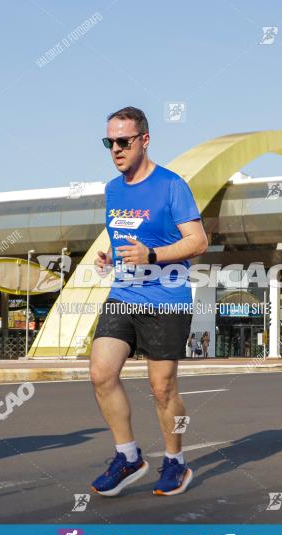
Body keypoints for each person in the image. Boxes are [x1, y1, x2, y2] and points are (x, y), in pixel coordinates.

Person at [89, 106, 207, 497]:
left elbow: (198, 241)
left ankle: (176, 461)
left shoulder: (172, 185)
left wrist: (153, 256)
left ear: (145, 139)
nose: (116, 149)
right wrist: (110, 255)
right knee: (101, 373)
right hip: (124, 293)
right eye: (110, 142)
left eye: (124, 141)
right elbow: (122, 235)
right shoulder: (113, 189)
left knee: (163, 389)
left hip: (166, 299)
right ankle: (128, 456)